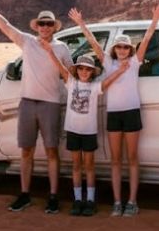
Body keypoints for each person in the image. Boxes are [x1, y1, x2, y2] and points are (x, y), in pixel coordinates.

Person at [0, 0, 72, 214]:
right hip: (27, 103)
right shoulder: (27, 42)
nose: (45, 27)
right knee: (26, 151)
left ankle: (53, 196)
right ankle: (25, 194)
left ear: (54, 27)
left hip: (50, 104)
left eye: (49, 24)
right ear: (36, 26)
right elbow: (5, 25)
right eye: (42, 24)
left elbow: (69, 76)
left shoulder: (62, 48)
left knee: (52, 152)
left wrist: (51, 53)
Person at [43, 45, 132, 217]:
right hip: (73, 130)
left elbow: (108, 82)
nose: (84, 72)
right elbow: (60, 67)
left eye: (88, 69)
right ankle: (78, 200)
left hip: (89, 132)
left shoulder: (95, 87)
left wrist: (121, 70)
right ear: (77, 70)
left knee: (89, 166)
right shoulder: (71, 82)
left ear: (92, 72)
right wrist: (50, 52)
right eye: (81, 68)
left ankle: (90, 200)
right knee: (76, 165)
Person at [104, 3, 159, 217]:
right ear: (114, 49)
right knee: (115, 159)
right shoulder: (108, 63)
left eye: (125, 47)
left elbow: (146, 39)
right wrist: (81, 24)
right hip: (113, 114)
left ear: (130, 50)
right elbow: (92, 42)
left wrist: (155, 20)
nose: (122, 50)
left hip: (131, 112)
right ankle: (117, 202)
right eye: (119, 47)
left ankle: (132, 201)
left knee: (131, 157)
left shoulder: (135, 62)